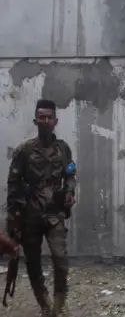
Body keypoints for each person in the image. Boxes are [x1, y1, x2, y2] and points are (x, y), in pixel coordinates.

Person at [6, 99, 77, 316]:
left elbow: (71, 174)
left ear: (55, 121)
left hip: (54, 214)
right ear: (35, 120)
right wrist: (14, 218)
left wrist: (70, 192)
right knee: (34, 263)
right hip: (31, 216)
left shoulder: (63, 149)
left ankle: (59, 305)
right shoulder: (24, 151)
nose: (45, 121)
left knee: (61, 261)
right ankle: (46, 306)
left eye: (49, 117)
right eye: (41, 117)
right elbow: (13, 184)